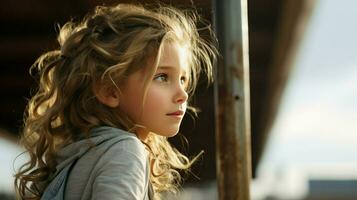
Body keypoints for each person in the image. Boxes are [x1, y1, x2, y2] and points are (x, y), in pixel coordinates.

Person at [14, 3, 217, 200]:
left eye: (183, 79)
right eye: (162, 77)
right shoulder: (125, 152)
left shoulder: (74, 154)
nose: (183, 94)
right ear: (110, 91)